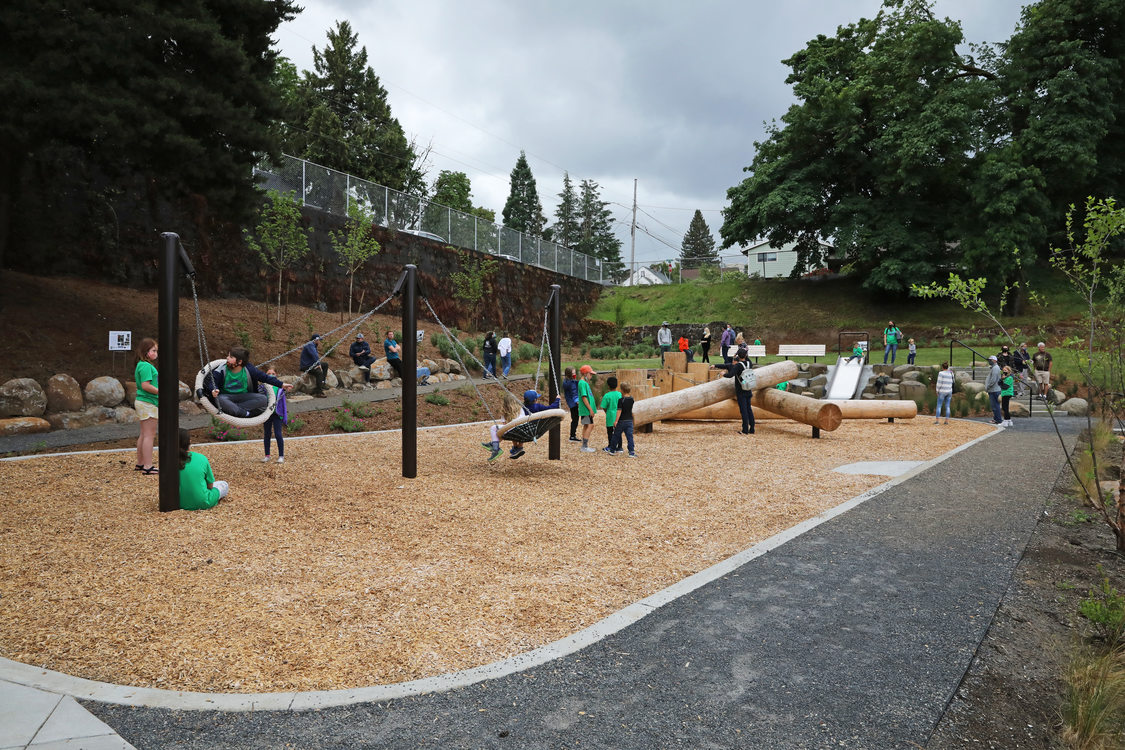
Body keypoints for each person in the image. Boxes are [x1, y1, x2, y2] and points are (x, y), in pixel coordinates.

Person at [211, 346, 292, 416]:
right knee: (220, 399)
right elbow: (212, 381)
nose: (227, 358)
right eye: (228, 356)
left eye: (231, 357)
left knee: (263, 399)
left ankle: (234, 409)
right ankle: (244, 413)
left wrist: (281, 384)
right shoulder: (221, 368)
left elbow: (265, 377)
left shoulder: (249, 369)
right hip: (227, 396)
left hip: (244, 396)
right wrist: (214, 389)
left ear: (239, 362)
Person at [178, 428, 229, 511]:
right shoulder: (201, 458)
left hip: (177, 503)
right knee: (224, 484)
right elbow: (210, 486)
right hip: (203, 502)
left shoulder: (168, 461)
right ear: (189, 442)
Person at [133, 337, 160, 475]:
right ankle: (148, 466)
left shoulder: (141, 365)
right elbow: (145, 385)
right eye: (153, 350)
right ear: (146, 351)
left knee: (144, 434)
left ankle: (141, 463)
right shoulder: (146, 366)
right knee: (149, 435)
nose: (156, 353)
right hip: (148, 402)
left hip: (143, 402)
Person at [482, 394, 523, 462]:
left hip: (511, 431)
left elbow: (505, 426)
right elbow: (524, 421)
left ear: (505, 404)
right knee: (514, 430)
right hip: (523, 431)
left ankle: (495, 447)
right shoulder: (521, 409)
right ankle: (518, 447)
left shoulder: (504, 412)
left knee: (493, 428)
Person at [724, 349, 756, 435]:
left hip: (741, 389)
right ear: (745, 355)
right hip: (749, 388)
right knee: (749, 408)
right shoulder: (749, 363)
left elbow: (730, 375)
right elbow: (747, 359)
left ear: (738, 356)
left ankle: (745, 430)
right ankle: (752, 428)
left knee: (743, 410)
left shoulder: (738, 366)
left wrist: (723, 374)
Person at [261, 367, 287, 463]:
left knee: (278, 434)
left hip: (277, 413)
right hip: (267, 413)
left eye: (273, 373)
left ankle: (281, 456)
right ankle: (267, 455)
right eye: (268, 373)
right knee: (267, 434)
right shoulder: (263, 387)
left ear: (276, 375)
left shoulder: (280, 387)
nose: (271, 375)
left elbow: (283, 402)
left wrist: (283, 414)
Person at [609, 382, 636, 457]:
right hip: (629, 421)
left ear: (622, 390)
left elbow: (619, 411)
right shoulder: (632, 399)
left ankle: (612, 450)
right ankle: (631, 452)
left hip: (621, 421)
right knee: (630, 437)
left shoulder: (621, 400)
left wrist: (616, 421)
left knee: (616, 435)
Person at [577, 364, 597, 452]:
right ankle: (584, 446)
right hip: (586, 410)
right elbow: (584, 397)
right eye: (590, 374)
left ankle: (584, 445)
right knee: (590, 425)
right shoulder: (582, 383)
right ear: (585, 374)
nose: (591, 376)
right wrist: (590, 409)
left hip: (586, 409)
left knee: (586, 425)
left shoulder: (584, 383)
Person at [600, 376, 622, 453]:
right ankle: (620, 447)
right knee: (618, 432)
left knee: (610, 432)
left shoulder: (607, 396)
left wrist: (607, 412)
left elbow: (604, 406)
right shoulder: (620, 394)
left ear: (608, 386)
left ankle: (611, 446)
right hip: (619, 416)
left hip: (610, 415)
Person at [563, 366, 581, 442]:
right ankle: (572, 436)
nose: (575, 374)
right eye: (573, 373)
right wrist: (577, 401)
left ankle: (572, 435)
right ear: (570, 374)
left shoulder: (565, 381)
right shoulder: (572, 383)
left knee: (574, 419)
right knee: (575, 419)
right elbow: (574, 393)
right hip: (574, 403)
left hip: (570, 403)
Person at [985, 354, 1003, 426]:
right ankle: (996, 418)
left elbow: (993, 380)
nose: (989, 361)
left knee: (995, 405)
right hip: (993, 390)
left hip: (994, 390)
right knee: (994, 406)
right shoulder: (993, 368)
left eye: (990, 360)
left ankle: (998, 420)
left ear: (995, 360)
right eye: (989, 360)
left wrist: (988, 387)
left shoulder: (995, 368)